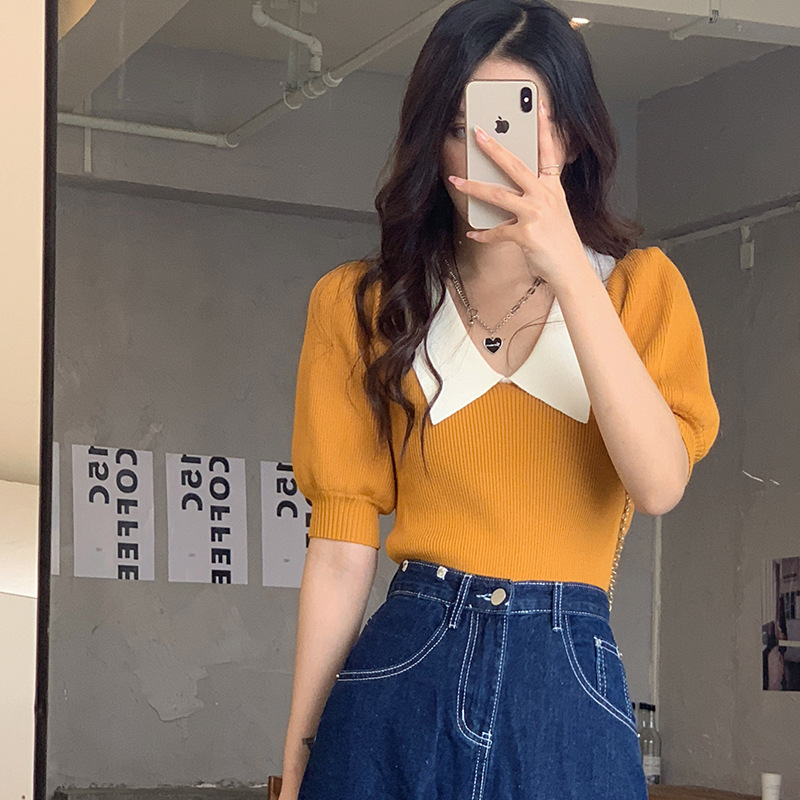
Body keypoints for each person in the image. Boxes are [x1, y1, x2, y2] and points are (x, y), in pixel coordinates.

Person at [279, 0, 720, 797]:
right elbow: (341, 553)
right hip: (405, 665)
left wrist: (569, 272)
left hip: (566, 681)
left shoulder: (640, 293)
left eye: (514, 124)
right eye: (461, 127)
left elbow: (658, 483)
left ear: (572, 136)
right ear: (431, 140)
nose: (488, 153)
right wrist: (298, 754)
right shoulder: (362, 305)